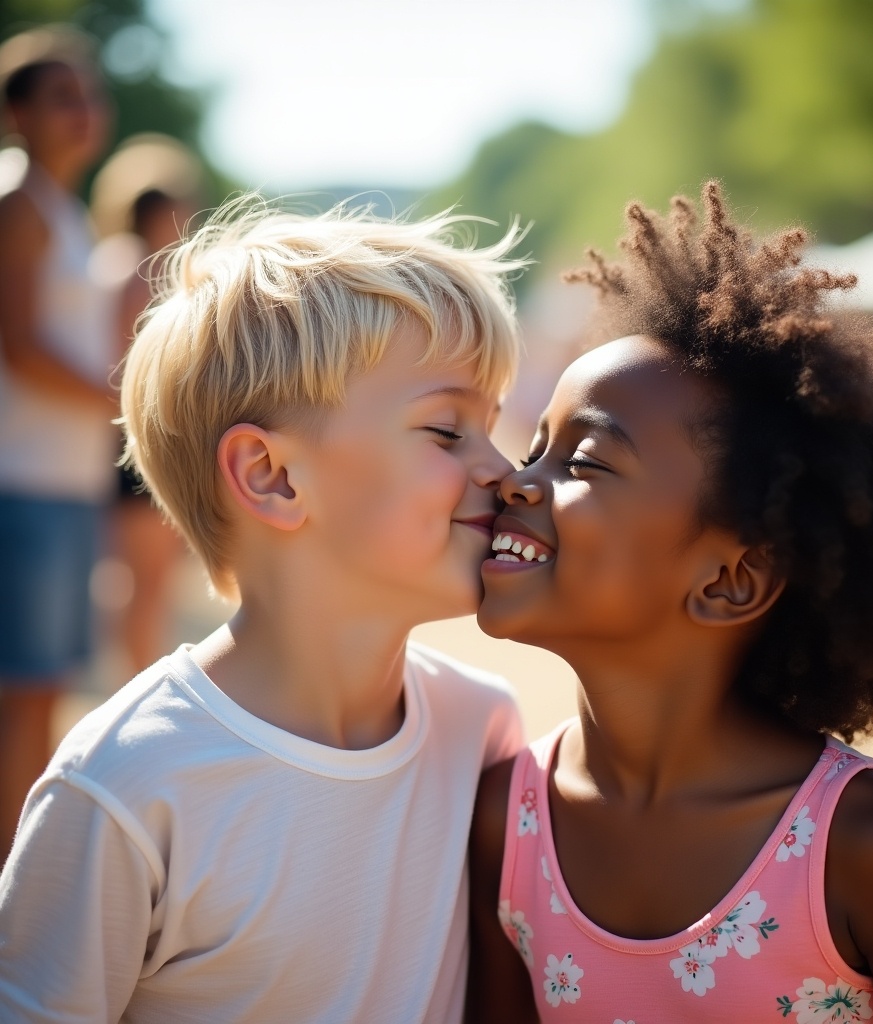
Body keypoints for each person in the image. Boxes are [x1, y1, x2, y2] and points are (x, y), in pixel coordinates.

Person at [467, 184, 873, 1023]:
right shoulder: (505, 820)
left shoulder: (870, 850)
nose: (515, 477)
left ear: (732, 582)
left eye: (584, 461)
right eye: (535, 443)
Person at [0, 198, 528, 1022]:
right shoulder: (126, 785)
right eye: (447, 430)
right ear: (272, 476)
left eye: (493, 427)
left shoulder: (484, 730)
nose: (507, 470)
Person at [0, 26, 114, 863]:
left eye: (89, 95)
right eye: (63, 96)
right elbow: (22, 346)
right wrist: (126, 399)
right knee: (25, 692)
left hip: (63, 485)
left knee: (44, 689)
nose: (85, 112)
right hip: (25, 482)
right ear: (17, 115)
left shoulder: (61, 211)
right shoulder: (19, 206)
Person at [90, 134, 206, 674]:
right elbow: (126, 374)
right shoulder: (139, 275)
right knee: (148, 586)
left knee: (141, 584)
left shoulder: (118, 264)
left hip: (122, 444)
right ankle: (136, 685)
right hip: (136, 446)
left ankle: (133, 679)